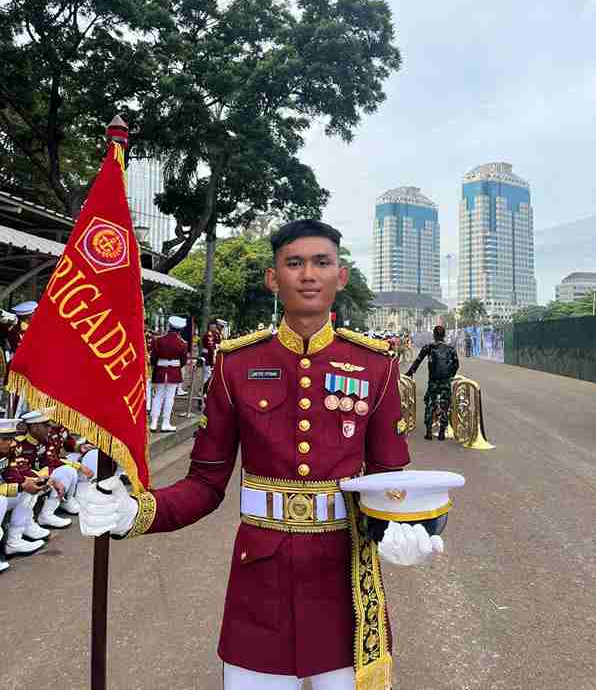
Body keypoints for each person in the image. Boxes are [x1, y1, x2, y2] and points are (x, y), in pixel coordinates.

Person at [78, 219, 444, 690]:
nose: (308, 274)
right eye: (294, 263)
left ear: (341, 276)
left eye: (321, 262)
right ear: (274, 278)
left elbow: (390, 478)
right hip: (260, 581)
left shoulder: (377, 365)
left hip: (344, 581)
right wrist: (136, 510)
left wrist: (400, 529)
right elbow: (205, 484)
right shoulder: (237, 363)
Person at [0, 418, 50, 566]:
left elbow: (10, 472)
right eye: (5, 439)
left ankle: (14, 542)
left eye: (11, 438)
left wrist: (27, 482)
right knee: (1, 500)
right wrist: (21, 486)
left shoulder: (7, 450)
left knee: (29, 491)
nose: (12, 443)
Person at [406, 325, 459, 441]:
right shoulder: (451, 348)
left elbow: (417, 361)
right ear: (444, 335)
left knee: (430, 404)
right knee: (445, 405)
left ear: (434, 335)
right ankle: (441, 433)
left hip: (433, 381)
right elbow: (456, 364)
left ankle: (429, 432)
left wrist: (408, 374)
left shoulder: (428, 347)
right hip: (445, 381)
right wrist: (451, 376)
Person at [149, 316, 188, 432]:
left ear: (169, 326)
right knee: (170, 398)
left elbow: (153, 358)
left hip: (160, 370)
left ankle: (153, 423)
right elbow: (183, 361)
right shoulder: (183, 343)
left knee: (158, 396)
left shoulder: (158, 340)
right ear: (180, 330)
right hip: (174, 371)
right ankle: (166, 423)